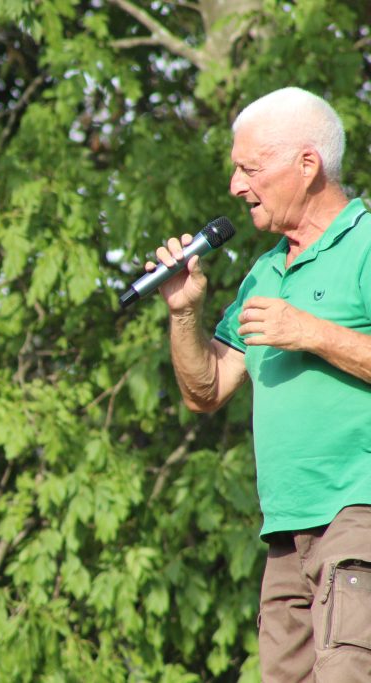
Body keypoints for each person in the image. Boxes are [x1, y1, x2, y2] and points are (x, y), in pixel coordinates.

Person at [146, 86, 371, 680]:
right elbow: (206, 390)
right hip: (285, 532)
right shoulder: (264, 272)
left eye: (249, 168)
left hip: (358, 514)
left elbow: (314, 337)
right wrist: (183, 312)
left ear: (307, 164)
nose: (235, 187)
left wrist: (314, 333)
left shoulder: (367, 244)